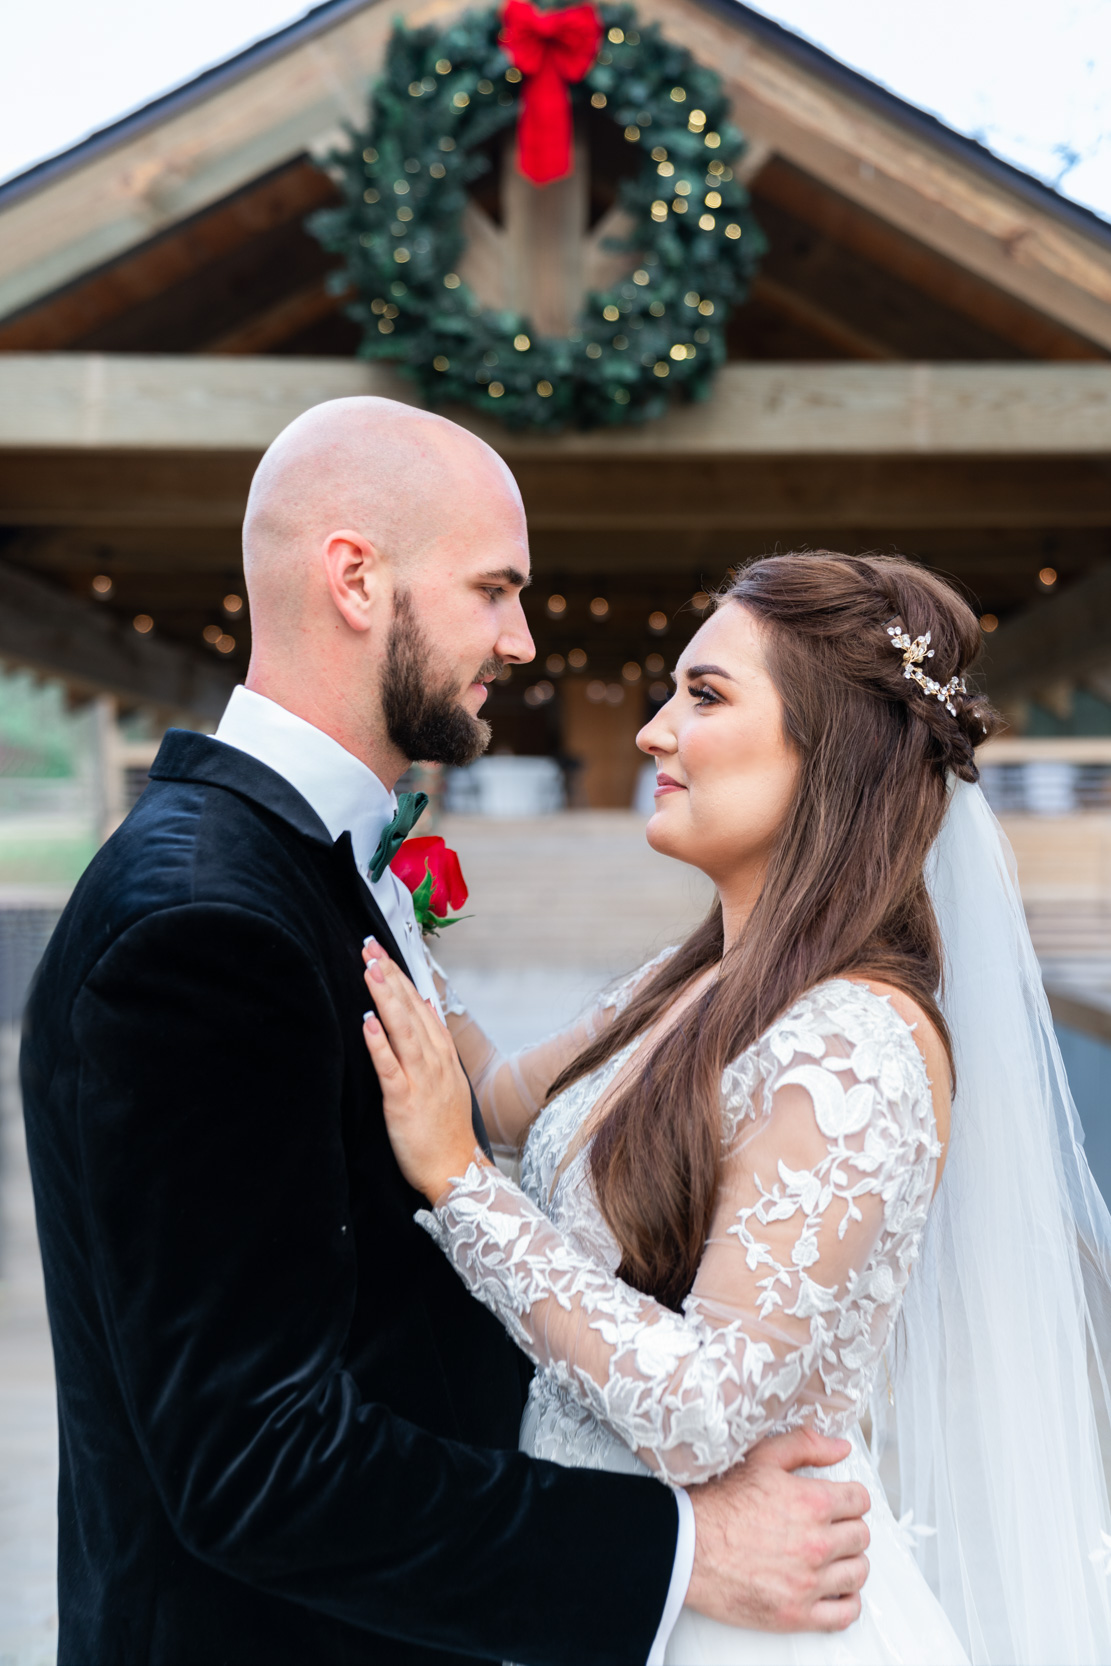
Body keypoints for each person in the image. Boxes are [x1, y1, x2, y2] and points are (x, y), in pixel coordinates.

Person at [20, 400, 872, 1666]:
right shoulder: (202, 928)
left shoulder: (309, 869)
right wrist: (687, 1548)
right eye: (494, 591)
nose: (522, 641)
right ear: (356, 577)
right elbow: (258, 1463)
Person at [362, 550, 1111, 1665]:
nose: (653, 732)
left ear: (834, 748)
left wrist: (461, 1188)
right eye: (667, 692)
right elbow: (498, 1101)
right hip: (618, 1588)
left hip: (746, 1619)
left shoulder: (852, 1046)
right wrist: (386, 904)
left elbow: (706, 1408)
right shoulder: (696, 979)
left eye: (703, 695)